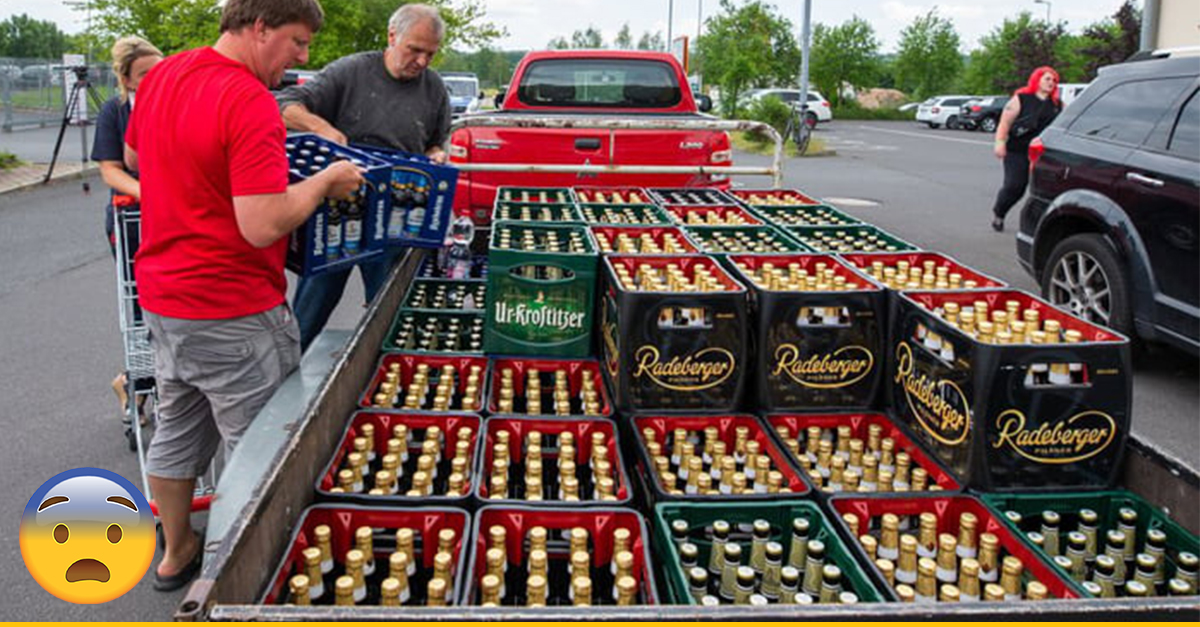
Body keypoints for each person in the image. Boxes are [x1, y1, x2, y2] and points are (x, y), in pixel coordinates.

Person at [125, 0, 363, 591]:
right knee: (263, 447)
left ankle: (176, 552)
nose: (301, 58)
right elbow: (262, 224)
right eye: (297, 41)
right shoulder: (249, 99)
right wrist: (324, 183)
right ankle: (245, 581)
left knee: (178, 428)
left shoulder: (165, 75)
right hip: (232, 304)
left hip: (165, 295)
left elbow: (134, 157)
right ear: (259, 28)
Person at [277, 3, 451, 352]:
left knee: (388, 317)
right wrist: (321, 127)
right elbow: (285, 103)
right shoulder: (351, 71)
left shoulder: (433, 88)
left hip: (395, 215)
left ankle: (379, 374)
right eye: (414, 50)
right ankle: (284, 375)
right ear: (392, 36)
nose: (422, 61)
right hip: (338, 210)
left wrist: (436, 155)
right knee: (309, 313)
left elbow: (436, 141)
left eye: (430, 54)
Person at [90, 35, 163, 418]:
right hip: (133, 217)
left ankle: (156, 381)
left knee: (173, 303)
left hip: (173, 217)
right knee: (140, 306)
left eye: (159, 70)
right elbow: (110, 170)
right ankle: (137, 383)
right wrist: (149, 193)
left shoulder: (174, 105)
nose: (155, 78)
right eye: (145, 74)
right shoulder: (115, 112)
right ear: (127, 79)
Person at [990, 66, 1062, 232]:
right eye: (1047, 79)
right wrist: (1000, 142)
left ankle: (1036, 228)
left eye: (1054, 80)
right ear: (1037, 80)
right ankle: (999, 213)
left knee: (1043, 193)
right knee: (1015, 186)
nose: (1051, 83)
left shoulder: (1057, 105)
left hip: (1044, 154)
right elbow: (1004, 123)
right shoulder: (1021, 99)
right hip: (1018, 151)